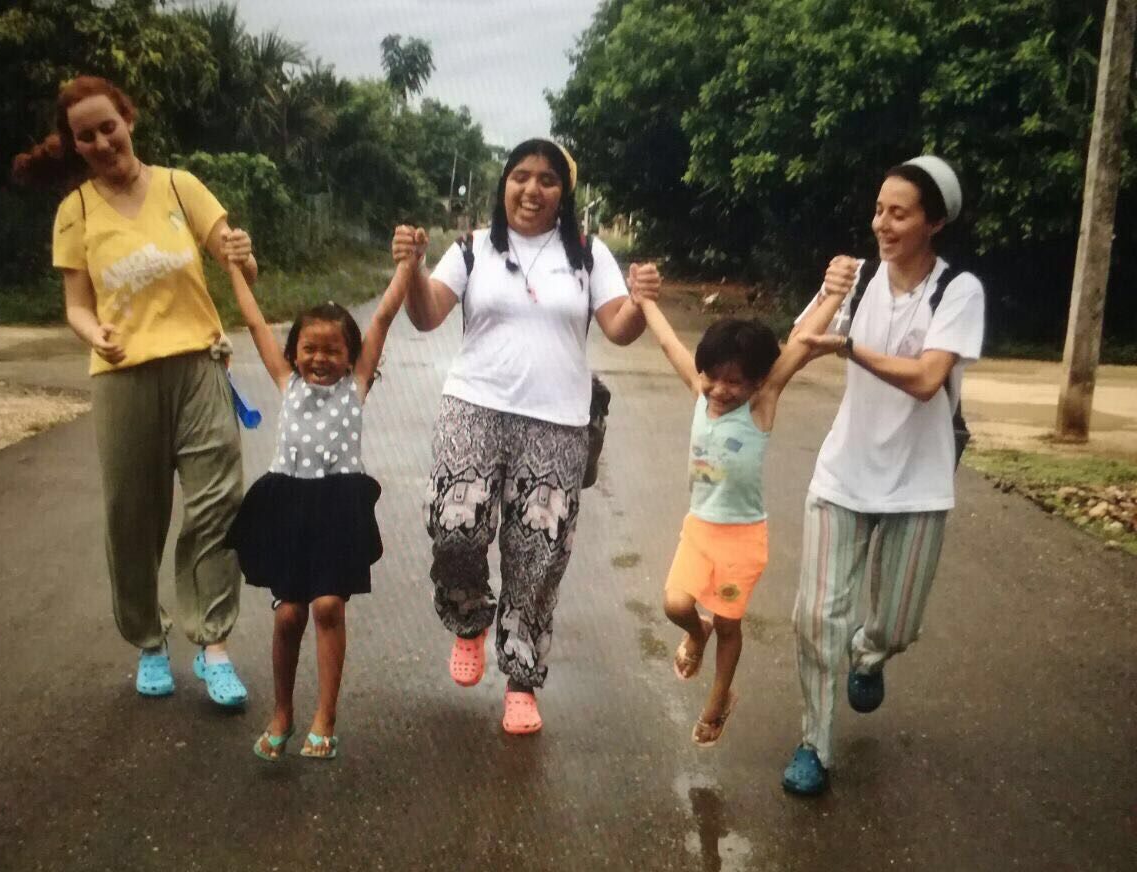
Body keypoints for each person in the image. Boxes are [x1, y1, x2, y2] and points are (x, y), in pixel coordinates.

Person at [392, 138, 661, 734]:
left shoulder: (589, 255)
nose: (532, 190)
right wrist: (410, 269)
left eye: (546, 180)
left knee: (537, 556)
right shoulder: (472, 250)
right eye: (520, 177)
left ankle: (520, 679)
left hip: (558, 421)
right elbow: (426, 313)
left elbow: (618, 327)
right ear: (503, 185)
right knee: (455, 529)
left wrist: (641, 302)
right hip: (474, 406)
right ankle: (470, 619)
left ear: (564, 194)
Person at [12, 76, 256, 706]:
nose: (100, 142)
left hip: (199, 365)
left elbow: (238, 265)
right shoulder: (77, 211)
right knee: (133, 515)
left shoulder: (181, 186)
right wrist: (98, 333)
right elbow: (75, 306)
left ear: (129, 119)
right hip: (121, 378)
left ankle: (214, 645)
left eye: (107, 127)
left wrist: (241, 250)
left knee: (217, 504)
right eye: (84, 135)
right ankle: (150, 642)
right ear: (74, 143)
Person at [781, 156, 986, 795]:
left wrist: (847, 347)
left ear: (935, 222)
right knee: (815, 618)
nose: (882, 223)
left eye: (898, 213)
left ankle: (869, 655)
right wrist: (830, 295)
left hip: (918, 484)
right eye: (878, 209)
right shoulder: (861, 277)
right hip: (842, 474)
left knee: (898, 624)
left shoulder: (959, 291)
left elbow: (928, 379)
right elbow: (799, 343)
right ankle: (814, 742)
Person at [631, 263, 853, 746]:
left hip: (743, 539)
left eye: (734, 382)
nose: (720, 389)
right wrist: (645, 300)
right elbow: (670, 344)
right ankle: (695, 633)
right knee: (675, 604)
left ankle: (720, 696)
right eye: (714, 377)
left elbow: (795, 350)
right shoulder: (700, 392)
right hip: (699, 530)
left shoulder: (760, 404)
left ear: (757, 381)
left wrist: (834, 294)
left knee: (730, 624)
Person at [222, 242, 414, 761]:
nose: (320, 359)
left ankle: (325, 716)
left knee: (328, 605)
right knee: (288, 617)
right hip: (288, 504)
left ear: (351, 357)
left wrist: (406, 267)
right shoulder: (287, 383)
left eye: (332, 350)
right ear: (294, 353)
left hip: (337, 507)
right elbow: (257, 323)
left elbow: (383, 317)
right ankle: (282, 712)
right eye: (310, 348)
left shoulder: (356, 387)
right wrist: (235, 271)